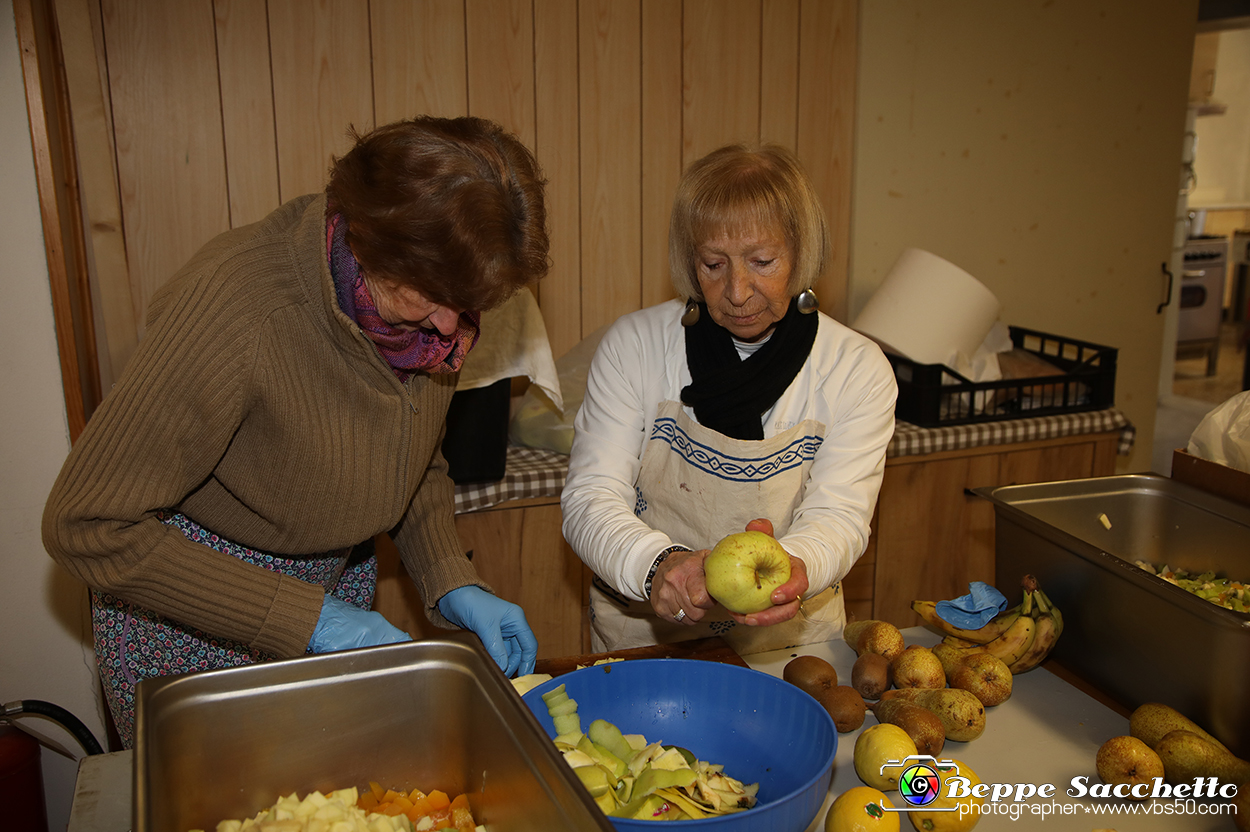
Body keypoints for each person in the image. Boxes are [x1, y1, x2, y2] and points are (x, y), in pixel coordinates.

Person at [42, 116, 547, 747]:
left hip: (331, 594)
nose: (450, 329)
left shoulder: (430, 312)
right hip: (191, 613)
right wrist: (306, 617)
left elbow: (413, 458)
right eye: (429, 296)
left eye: (469, 305)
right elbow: (85, 525)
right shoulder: (235, 308)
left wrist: (449, 574)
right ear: (368, 241)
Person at [560, 143, 897, 655]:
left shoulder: (855, 368)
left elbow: (840, 514)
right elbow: (591, 497)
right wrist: (658, 565)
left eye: (762, 261)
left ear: (801, 253)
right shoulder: (636, 347)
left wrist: (795, 566)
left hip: (789, 642)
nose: (737, 291)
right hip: (649, 636)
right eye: (713, 264)